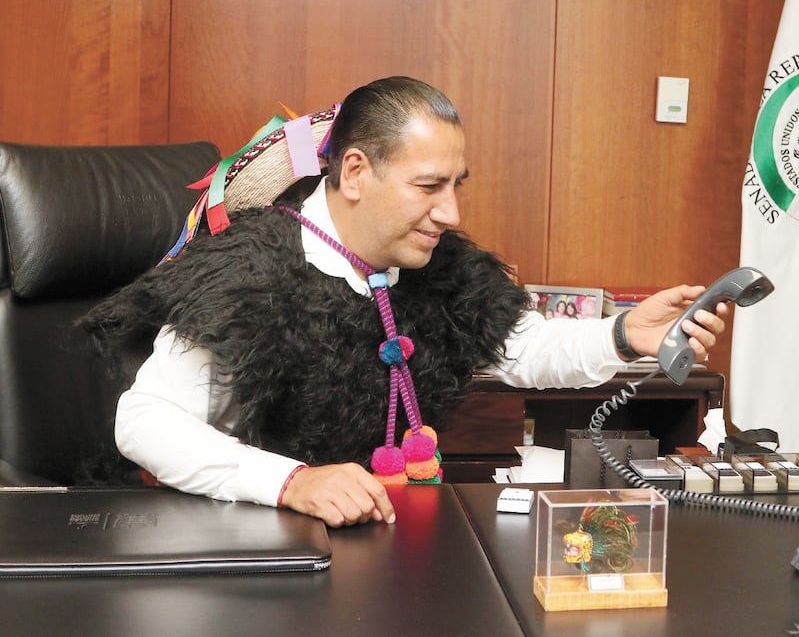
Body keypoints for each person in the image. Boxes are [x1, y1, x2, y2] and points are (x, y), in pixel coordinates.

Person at [83, 76, 727, 528]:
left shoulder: (436, 265)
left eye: (456, 185)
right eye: (429, 186)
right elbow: (143, 423)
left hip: (371, 543)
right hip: (240, 547)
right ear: (357, 172)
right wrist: (293, 482)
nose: (451, 212)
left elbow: (523, 347)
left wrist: (621, 336)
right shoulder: (247, 273)